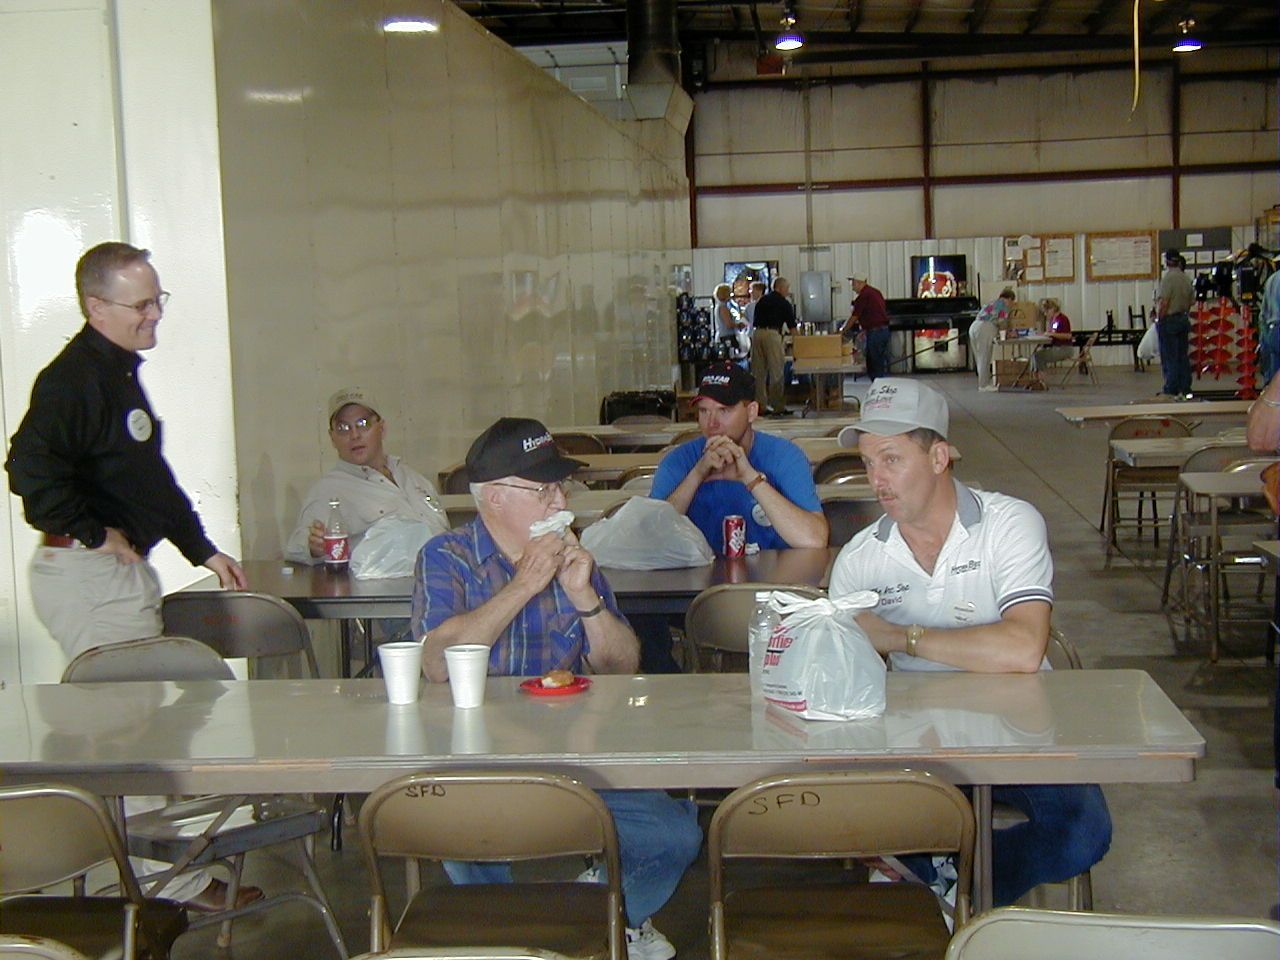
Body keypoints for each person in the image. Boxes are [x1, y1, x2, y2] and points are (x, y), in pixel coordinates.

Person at [4, 241, 257, 912]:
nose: (155, 315)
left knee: (138, 725)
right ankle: (163, 890)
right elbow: (28, 468)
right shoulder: (73, 380)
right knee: (126, 731)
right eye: (141, 304)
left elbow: (149, 478)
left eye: (157, 300)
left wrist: (201, 549)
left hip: (112, 575)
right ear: (96, 307)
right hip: (88, 575)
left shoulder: (116, 374)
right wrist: (94, 531)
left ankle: (156, 880)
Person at [412, 416, 702, 960]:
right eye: (542, 489)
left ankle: (606, 911)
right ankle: (508, 938)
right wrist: (525, 584)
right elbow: (436, 665)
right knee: (462, 836)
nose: (559, 500)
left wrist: (584, 597)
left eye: (560, 486)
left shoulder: (575, 556)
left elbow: (621, 667)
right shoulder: (447, 557)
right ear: (494, 497)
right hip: (479, 756)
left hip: (579, 751)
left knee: (676, 836)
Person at [827, 377, 1112, 907]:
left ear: (940, 457)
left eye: (891, 459)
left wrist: (900, 637)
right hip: (916, 742)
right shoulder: (860, 559)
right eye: (867, 462)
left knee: (1084, 830)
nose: (876, 479)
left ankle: (952, 885)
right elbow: (840, 683)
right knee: (840, 809)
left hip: (1021, 731)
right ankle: (948, 878)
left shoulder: (1009, 524)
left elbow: (1023, 649)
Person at [650, 363, 827, 552]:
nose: (712, 423)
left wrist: (750, 478)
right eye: (704, 411)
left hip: (774, 571)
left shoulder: (785, 457)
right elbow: (651, 540)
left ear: (751, 412)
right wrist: (697, 474)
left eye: (724, 410)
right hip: (700, 571)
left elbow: (814, 539)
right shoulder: (678, 461)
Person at [285, 387, 448, 563]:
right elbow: (297, 547)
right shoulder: (328, 491)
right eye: (343, 428)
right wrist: (313, 547)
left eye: (363, 424)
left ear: (382, 428)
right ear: (332, 438)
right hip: (387, 580)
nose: (354, 435)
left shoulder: (414, 479)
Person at [750, 276, 794, 416]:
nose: (788, 291)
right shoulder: (784, 303)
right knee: (777, 372)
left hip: (757, 334)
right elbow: (792, 327)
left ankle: (760, 406)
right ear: (780, 288)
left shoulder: (762, 300)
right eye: (787, 288)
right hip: (772, 335)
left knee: (758, 373)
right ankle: (777, 406)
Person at [1156, 248, 1196, 398]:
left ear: (1167, 261)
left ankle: (1171, 389)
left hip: (1169, 321)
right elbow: (1191, 301)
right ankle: (1185, 388)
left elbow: (1164, 302)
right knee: (1182, 356)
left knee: (1170, 356)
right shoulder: (1186, 278)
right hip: (1183, 320)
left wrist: (1160, 318)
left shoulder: (1168, 279)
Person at [840, 272, 892, 381]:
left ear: (859, 283)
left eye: (853, 283)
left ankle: (878, 386)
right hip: (883, 331)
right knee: (878, 362)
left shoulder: (863, 296)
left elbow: (854, 317)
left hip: (876, 333)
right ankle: (879, 384)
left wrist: (843, 331)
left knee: (874, 365)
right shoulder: (876, 292)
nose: (852, 287)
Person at [969, 287, 1016, 392]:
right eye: (1012, 302)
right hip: (985, 328)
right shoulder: (1004, 305)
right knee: (984, 358)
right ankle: (984, 385)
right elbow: (1002, 322)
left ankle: (983, 382)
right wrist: (1008, 334)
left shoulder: (992, 302)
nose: (1012, 305)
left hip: (974, 326)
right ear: (1009, 299)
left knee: (979, 358)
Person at [1031, 298, 1074, 372]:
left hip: (1064, 348)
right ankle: (1036, 375)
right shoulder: (1053, 320)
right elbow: (1053, 332)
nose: (1045, 314)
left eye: (1046, 311)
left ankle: (1042, 376)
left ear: (1052, 309)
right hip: (1056, 347)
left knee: (1038, 356)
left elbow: (1068, 336)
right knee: (1034, 355)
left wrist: (1051, 334)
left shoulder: (1062, 319)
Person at [712, 282, 748, 361]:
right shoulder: (723, 307)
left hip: (723, 336)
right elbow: (728, 324)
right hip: (726, 337)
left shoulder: (720, 306)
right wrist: (739, 325)